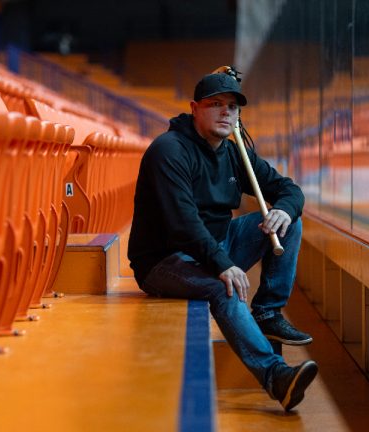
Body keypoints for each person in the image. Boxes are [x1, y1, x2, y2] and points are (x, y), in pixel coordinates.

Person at [127, 69, 318, 411]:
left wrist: (285, 211)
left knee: (285, 224)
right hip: (167, 259)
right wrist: (223, 264)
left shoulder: (233, 152)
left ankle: (267, 313)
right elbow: (182, 224)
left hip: (216, 243)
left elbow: (288, 189)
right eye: (215, 104)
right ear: (194, 108)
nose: (226, 112)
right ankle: (276, 378)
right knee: (223, 287)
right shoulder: (169, 150)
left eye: (232, 106)